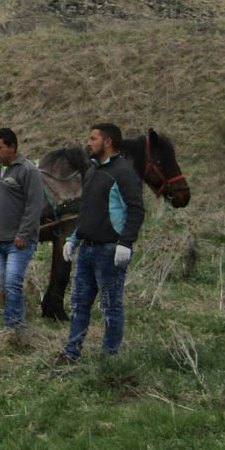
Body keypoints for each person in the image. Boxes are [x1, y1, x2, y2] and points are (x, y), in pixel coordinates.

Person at [60, 123, 145, 361]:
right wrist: (73, 239)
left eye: (93, 139)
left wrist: (125, 243)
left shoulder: (124, 172)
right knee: (78, 304)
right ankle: (71, 352)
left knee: (111, 307)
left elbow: (137, 210)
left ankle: (110, 357)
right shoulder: (92, 171)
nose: (88, 143)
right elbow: (86, 211)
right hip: (87, 249)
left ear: (107, 142)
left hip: (110, 251)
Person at [0, 128, 45, 330]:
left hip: (19, 241)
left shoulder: (28, 171)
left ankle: (14, 327)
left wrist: (23, 234)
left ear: (12, 147)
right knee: (6, 284)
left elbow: (34, 206)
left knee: (12, 283)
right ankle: (13, 325)